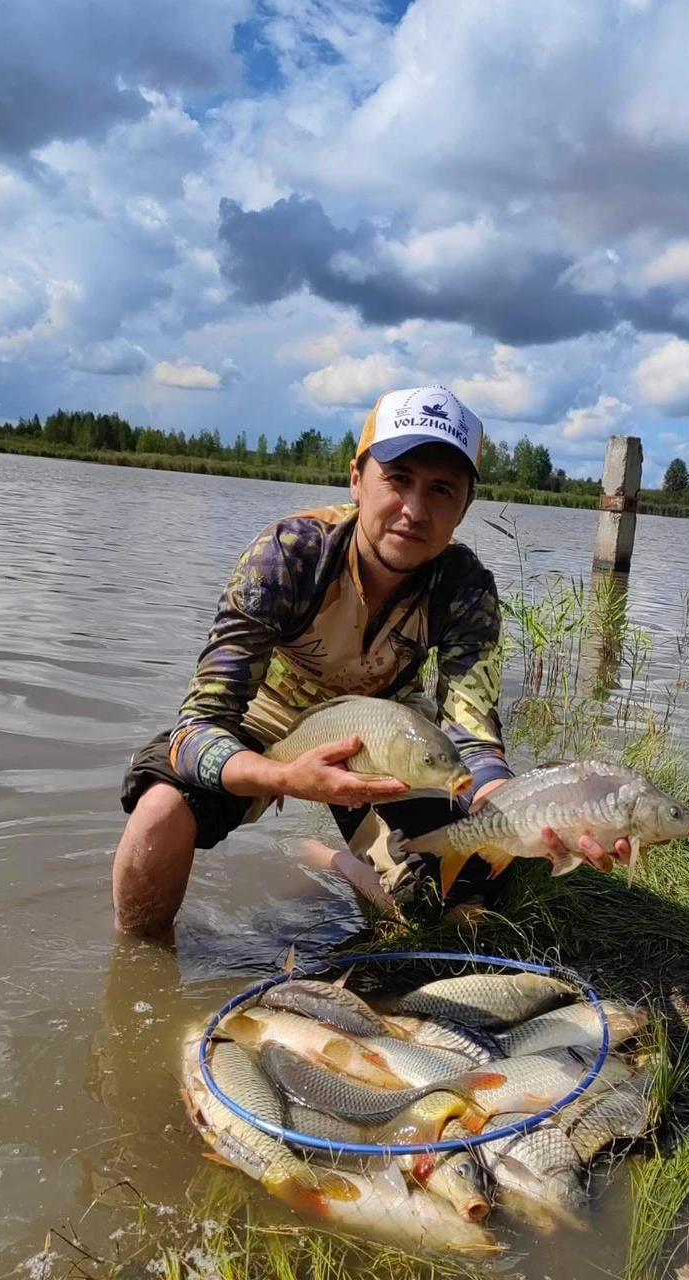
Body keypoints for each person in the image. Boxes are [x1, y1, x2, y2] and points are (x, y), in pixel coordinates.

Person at [112, 386, 632, 937]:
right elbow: (198, 726)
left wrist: (527, 811)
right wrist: (286, 776)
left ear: (464, 507)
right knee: (161, 810)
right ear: (357, 478)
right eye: (398, 479)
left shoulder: (464, 587)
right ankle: (141, 971)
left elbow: (471, 731)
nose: (415, 510)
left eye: (440, 490)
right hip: (267, 723)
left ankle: (338, 861)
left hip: (387, 734)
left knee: (455, 892)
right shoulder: (288, 553)